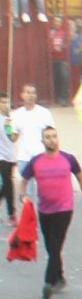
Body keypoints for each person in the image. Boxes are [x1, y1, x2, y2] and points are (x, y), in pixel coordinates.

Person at [17, 126, 82, 299]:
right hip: (44, 210)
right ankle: (59, 277)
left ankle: (48, 283)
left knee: (55, 245)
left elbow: (81, 180)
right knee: (52, 247)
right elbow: (23, 181)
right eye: (48, 137)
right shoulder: (36, 161)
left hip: (64, 209)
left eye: (54, 136)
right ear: (42, 141)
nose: (52, 140)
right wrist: (23, 196)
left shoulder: (69, 159)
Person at [11, 84, 55, 192]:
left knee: (44, 190)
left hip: (41, 156)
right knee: (28, 193)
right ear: (22, 95)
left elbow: (53, 135)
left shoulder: (44, 113)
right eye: (28, 92)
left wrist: (53, 154)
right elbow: (13, 138)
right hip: (24, 158)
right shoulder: (16, 114)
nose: (31, 95)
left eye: (33, 93)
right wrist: (7, 127)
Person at [0, 92, 18, 226]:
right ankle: (12, 214)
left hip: (11, 155)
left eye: (6, 102)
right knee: (8, 184)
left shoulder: (11, 118)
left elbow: (13, 138)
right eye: (2, 102)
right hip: (1, 157)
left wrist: (9, 125)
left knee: (5, 186)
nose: (5, 105)